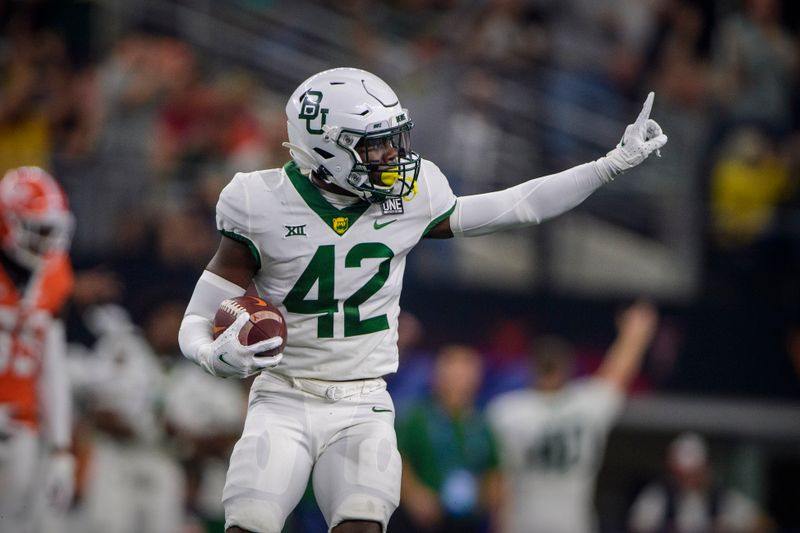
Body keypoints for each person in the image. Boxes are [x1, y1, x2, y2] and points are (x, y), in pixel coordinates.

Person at [177, 67, 668, 533]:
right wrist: (213, 355)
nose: (393, 157)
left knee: (363, 518)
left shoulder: (413, 195)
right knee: (251, 521)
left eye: (394, 141)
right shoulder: (257, 202)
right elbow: (197, 319)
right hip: (281, 396)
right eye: (374, 147)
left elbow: (520, 205)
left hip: (362, 400)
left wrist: (608, 166)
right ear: (325, 149)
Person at [486, 300, 659, 533]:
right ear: (566, 367)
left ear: (531, 367)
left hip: (523, 525)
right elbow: (619, 371)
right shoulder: (586, 405)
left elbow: (497, 485)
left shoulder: (505, 410)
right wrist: (635, 334)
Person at [0, 166, 76, 533]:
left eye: (53, 229)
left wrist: (61, 446)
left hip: (21, 422)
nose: (49, 243)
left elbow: (53, 362)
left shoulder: (54, 272)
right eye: (40, 229)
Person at [393, 344, 502, 533]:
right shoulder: (415, 417)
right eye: (453, 374)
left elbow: (494, 469)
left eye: (466, 374)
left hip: (468, 520)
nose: (459, 382)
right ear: (438, 377)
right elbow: (398, 460)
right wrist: (414, 496)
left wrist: (489, 502)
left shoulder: (481, 421)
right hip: (421, 520)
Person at [628, 432, 772, 533]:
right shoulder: (659, 497)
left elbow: (764, 524)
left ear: (705, 469)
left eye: (693, 473)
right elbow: (637, 526)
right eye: (681, 474)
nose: (687, 480)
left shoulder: (721, 499)